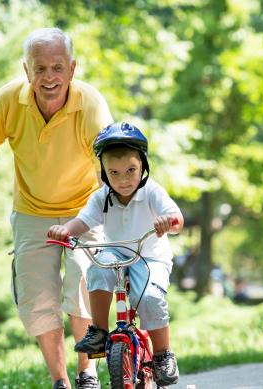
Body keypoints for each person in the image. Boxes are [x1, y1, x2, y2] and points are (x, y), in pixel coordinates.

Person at [0, 27, 113, 389]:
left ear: (72, 69)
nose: (49, 78)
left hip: (84, 212)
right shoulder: (8, 100)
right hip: (31, 212)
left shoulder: (90, 104)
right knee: (37, 298)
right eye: (39, 69)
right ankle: (60, 381)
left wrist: (121, 214)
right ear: (26, 71)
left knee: (83, 282)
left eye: (57, 67)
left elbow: (109, 166)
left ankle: (86, 372)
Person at [47, 122, 184, 386]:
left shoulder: (152, 192)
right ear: (104, 173)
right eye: (114, 172)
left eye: (131, 170)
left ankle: (163, 354)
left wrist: (169, 221)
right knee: (97, 268)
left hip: (150, 256)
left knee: (151, 298)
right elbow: (83, 221)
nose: (123, 179)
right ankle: (98, 330)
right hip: (115, 255)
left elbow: (177, 217)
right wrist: (65, 230)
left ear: (143, 166)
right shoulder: (101, 198)